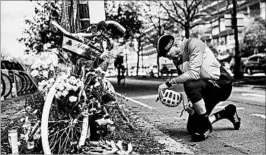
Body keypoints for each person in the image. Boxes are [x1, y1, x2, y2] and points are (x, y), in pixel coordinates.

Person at [156, 34, 241, 141]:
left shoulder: (194, 44)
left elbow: (193, 74)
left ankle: (205, 127)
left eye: (167, 54)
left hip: (221, 84)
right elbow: (186, 80)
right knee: (192, 128)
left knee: (191, 86)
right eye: (165, 56)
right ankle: (228, 112)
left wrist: (168, 83)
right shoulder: (177, 59)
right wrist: (190, 102)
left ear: (175, 44)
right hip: (205, 88)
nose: (168, 57)